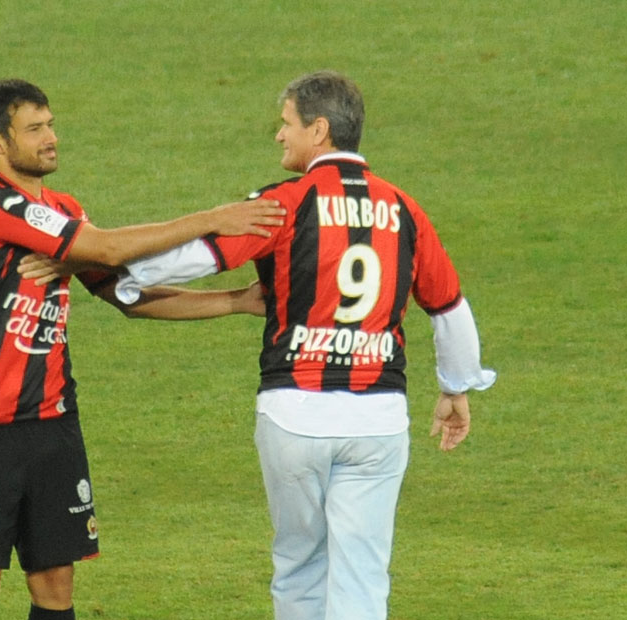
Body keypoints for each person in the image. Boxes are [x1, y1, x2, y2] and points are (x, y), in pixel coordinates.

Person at [25, 70, 496, 620]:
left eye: (287, 123)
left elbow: (202, 255)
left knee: (299, 563)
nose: (280, 135)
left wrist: (113, 269)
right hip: (378, 418)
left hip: (294, 411)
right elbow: (449, 307)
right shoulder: (406, 210)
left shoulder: (284, 203)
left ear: (318, 130)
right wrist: (456, 388)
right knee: (364, 573)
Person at [0, 78, 284, 620]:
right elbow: (108, 247)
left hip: (52, 423)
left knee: (55, 589)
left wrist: (236, 300)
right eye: (34, 129)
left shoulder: (63, 209)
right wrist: (214, 219)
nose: (51, 138)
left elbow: (126, 294)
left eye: (50, 124)